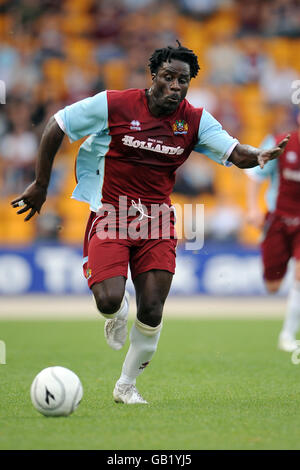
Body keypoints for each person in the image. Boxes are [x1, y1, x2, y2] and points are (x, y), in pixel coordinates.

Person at [11, 42, 289, 404]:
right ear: (153, 76)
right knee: (110, 299)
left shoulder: (195, 120)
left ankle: (126, 386)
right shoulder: (115, 104)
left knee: (153, 307)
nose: (176, 86)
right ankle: (115, 313)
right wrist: (41, 184)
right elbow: (57, 124)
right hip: (111, 213)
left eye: (183, 80)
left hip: (157, 220)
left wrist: (260, 155)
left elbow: (237, 153)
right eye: (169, 77)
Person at [247, 112, 300, 352]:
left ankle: (287, 335)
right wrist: (252, 207)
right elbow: (255, 174)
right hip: (277, 221)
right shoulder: (279, 142)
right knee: (273, 286)